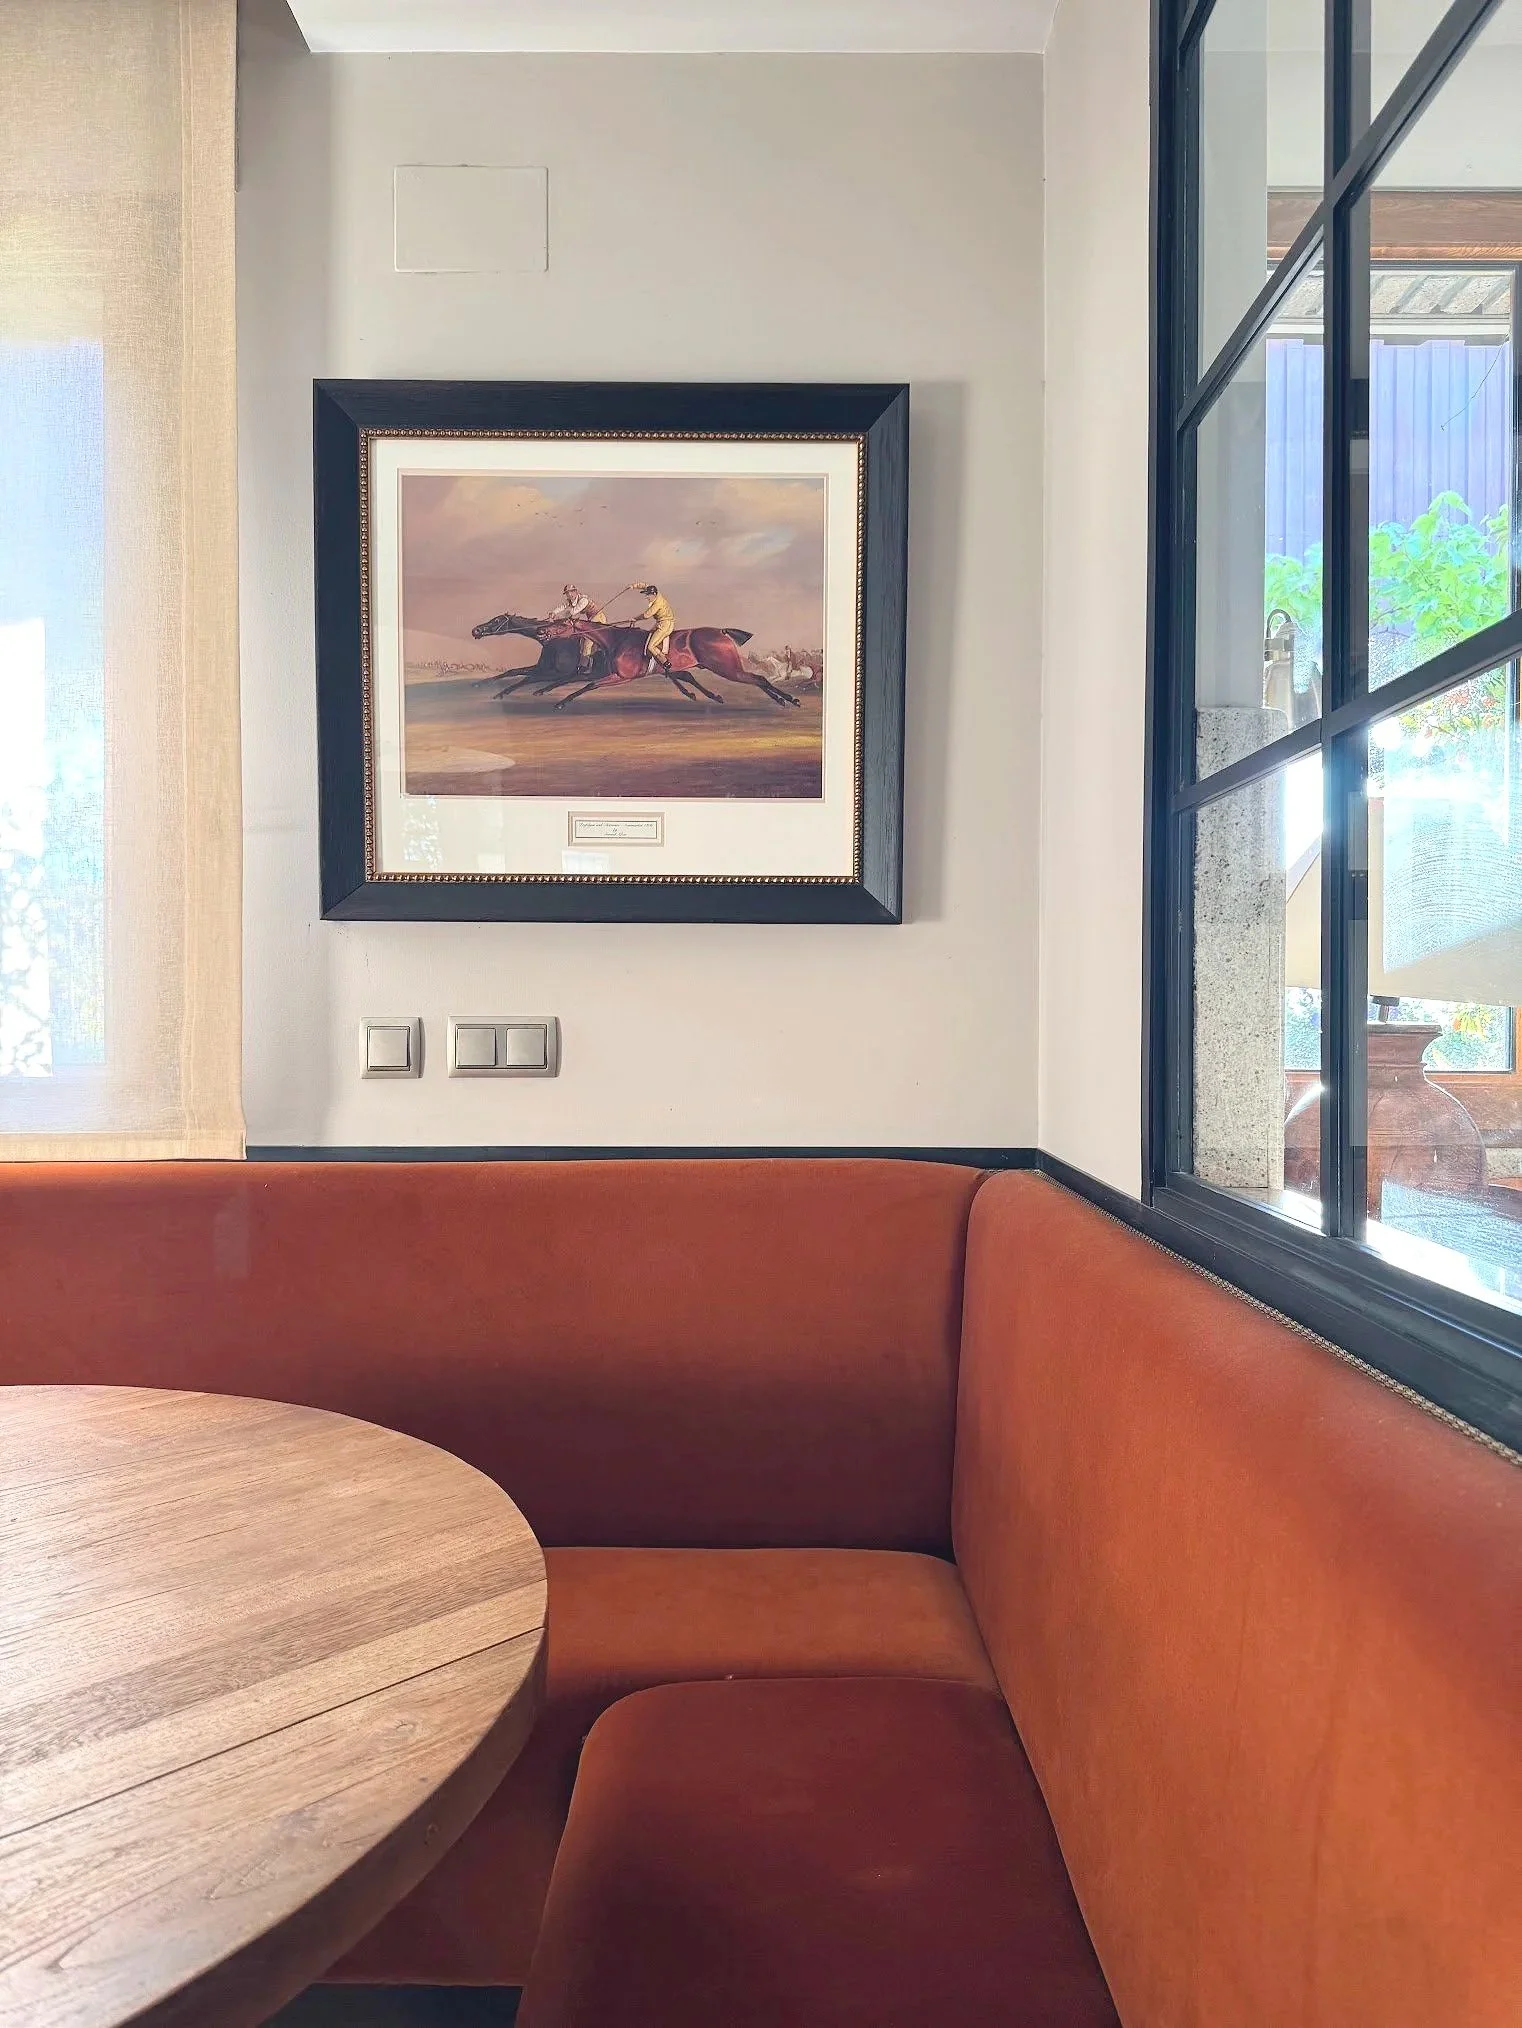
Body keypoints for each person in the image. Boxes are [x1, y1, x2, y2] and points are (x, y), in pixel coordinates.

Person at [549, 584, 605, 672]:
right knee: (582, 639)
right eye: (567, 593)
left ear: (575, 592)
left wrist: (560, 618)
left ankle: (585, 666)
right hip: (591, 619)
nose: (569, 595)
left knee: (588, 640)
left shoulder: (583, 600)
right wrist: (554, 612)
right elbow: (563, 606)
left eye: (571, 592)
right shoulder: (571, 601)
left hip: (598, 619)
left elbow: (573, 612)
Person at [627, 582, 675, 674]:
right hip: (661, 623)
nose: (647, 597)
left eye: (648, 595)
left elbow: (646, 615)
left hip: (665, 624)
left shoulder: (657, 604)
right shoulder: (657, 594)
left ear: (654, 594)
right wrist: (633, 586)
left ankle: (665, 663)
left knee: (651, 646)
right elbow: (645, 585)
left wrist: (635, 619)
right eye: (646, 595)